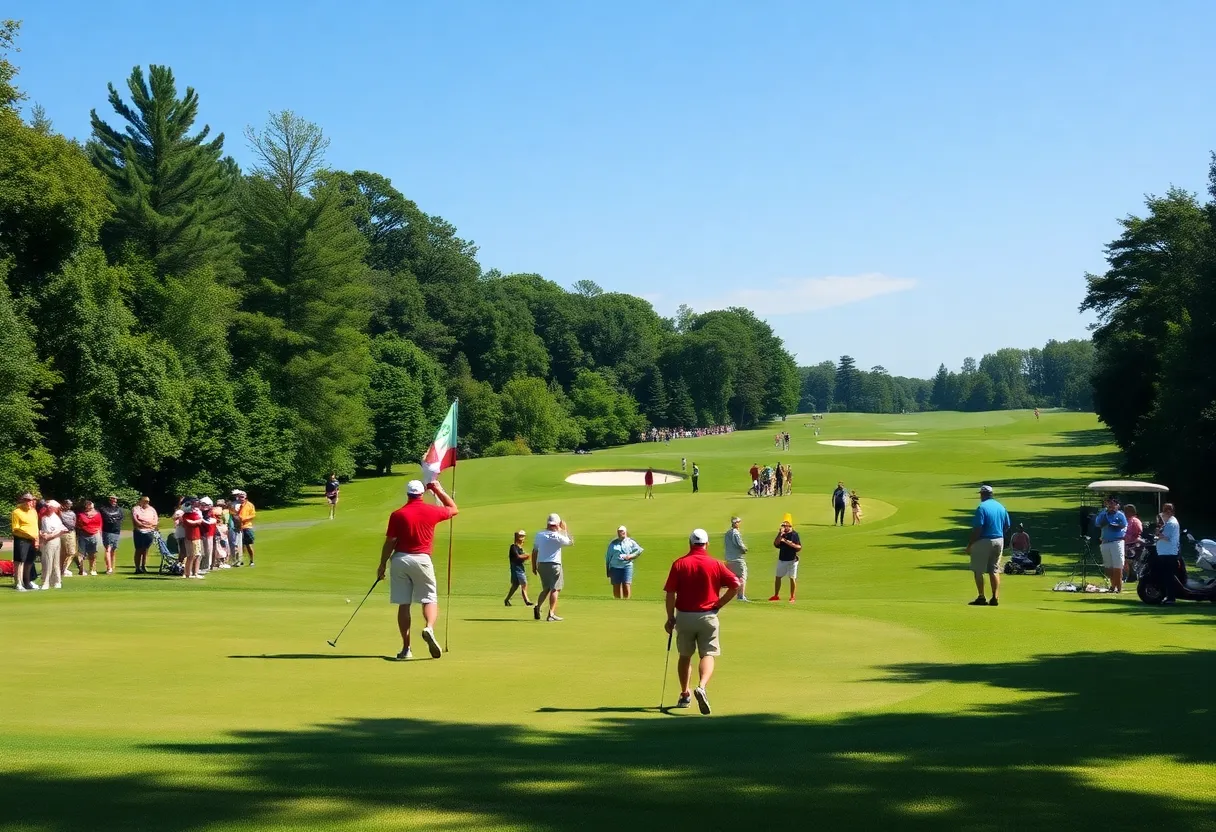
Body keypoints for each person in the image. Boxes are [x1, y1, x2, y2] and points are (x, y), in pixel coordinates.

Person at [377, 479, 458, 660]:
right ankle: (429, 627)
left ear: (408, 494)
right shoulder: (432, 511)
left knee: (404, 603)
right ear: (422, 494)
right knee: (429, 598)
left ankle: (406, 649)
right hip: (422, 559)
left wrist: (382, 564)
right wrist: (437, 490)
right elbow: (454, 509)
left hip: (400, 560)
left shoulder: (398, 514)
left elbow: (390, 542)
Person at [663, 528, 741, 714]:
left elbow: (670, 593)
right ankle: (702, 686)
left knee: (685, 655)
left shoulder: (680, 564)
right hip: (708, 616)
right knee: (708, 654)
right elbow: (735, 584)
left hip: (685, 616)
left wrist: (670, 618)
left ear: (690, 543)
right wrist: (719, 604)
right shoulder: (716, 563)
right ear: (706, 544)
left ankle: (685, 694)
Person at [966, 485, 1011, 606]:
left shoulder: (982, 508)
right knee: (994, 569)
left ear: (983, 494)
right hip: (999, 540)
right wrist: (1000, 535)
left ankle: (981, 597)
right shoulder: (1001, 507)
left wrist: (970, 545)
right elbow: (1007, 525)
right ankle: (995, 597)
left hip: (984, 540)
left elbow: (978, 529)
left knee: (978, 569)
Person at [532, 513, 573, 622]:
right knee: (555, 589)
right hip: (554, 565)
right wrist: (564, 530)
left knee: (546, 588)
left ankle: (538, 606)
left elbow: (535, 551)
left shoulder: (539, 534)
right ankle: (551, 614)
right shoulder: (558, 536)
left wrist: (533, 566)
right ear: (557, 524)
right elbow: (570, 542)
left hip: (541, 564)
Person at [1094, 496, 1128, 594]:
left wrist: (1114, 525)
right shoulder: (1103, 514)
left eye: (1113, 504)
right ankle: (1112, 585)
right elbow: (1097, 523)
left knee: (1117, 565)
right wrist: (1104, 517)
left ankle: (1119, 587)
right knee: (1109, 567)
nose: (1111, 506)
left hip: (1117, 542)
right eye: (1109, 503)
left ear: (1117, 505)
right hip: (1105, 542)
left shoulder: (1120, 515)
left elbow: (1123, 525)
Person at [10, 492, 40, 591]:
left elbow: (35, 526)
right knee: (20, 561)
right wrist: (29, 535)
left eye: (30, 500)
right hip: (22, 539)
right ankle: (18, 583)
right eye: (26, 500)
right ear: (22, 501)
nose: (28, 502)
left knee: (29, 561)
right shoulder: (17, 512)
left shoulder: (33, 511)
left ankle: (27, 582)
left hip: (32, 540)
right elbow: (15, 528)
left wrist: (36, 539)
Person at [605, 525, 644, 599]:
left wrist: (631, 556)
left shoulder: (630, 542)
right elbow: (608, 557)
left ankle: (626, 601)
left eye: (622, 532)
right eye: (619, 532)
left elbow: (639, 550)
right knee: (616, 585)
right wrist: (608, 570)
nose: (620, 533)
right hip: (615, 567)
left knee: (626, 584)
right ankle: (617, 600)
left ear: (625, 532)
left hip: (627, 566)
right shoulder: (613, 543)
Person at [769, 515, 802, 602]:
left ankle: (792, 596)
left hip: (792, 560)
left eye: (785, 525)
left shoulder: (794, 534)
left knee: (792, 578)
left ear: (789, 525)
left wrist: (786, 541)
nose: (783, 527)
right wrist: (780, 534)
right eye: (783, 526)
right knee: (778, 577)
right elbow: (776, 544)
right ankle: (776, 595)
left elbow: (798, 547)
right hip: (782, 559)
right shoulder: (782, 534)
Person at [1154, 503, 1181, 604]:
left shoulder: (1171, 523)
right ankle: (1167, 595)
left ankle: (1171, 598)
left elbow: (1166, 537)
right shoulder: (1168, 522)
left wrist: (1157, 533)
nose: (1165, 513)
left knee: (1169, 576)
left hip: (1169, 553)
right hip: (1165, 553)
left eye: (1168, 510)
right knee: (1166, 576)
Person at [38, 500, 68, 590]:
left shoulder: (56, 518)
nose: (47, 508)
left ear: (53, 508)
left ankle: (57, 581)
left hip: (54, 541)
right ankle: (45, 582)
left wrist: (50, 535)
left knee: (55, 562)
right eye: (47, 507)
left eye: (49, 507)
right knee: (47, 562)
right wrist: (43, 534)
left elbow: (62, 530)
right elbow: (43, 530)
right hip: (47, 542)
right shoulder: (44, 517)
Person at [723, 516, 749, 601]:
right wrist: (744, 549)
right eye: (738, 522)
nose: (739, 523)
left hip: (729, 559)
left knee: (733, 578)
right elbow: (739, 544)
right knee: (742, 577)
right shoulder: (735, 533)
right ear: (735, 523)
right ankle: (741, 596)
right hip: (737, 559)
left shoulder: (728, 533)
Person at [504, 530, 533, 607]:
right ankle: (527, 600)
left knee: (515, 585)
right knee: (524, 583)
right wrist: (526, 556)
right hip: (517, 569)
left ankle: (507, 599)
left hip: (519, 568)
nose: (523, 538)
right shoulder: (513, 547)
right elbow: (517, 557)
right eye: (521, 536)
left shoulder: (519, 548)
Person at [131, 496, 158, 575]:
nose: (147, 503)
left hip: (149, 531)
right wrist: (144, 525)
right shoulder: (136, 509)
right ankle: (137, 567)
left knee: (145, 550)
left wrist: (150, 526)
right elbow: (136, 520)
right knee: (138, 549)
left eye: (148, 501)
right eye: (145, 501)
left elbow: (155, 520)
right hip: (139, 531)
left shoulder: (152, 509)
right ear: (141, 501)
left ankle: (143, 566)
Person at [75, 500, 102, 577]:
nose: (92, 510)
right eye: (89, 508)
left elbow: (99, 525)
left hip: (94, 535)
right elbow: (78, 525)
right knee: (81, 554)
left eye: (92, 508)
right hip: (83, 536)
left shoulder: (97, 514)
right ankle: (82, 570)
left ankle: (93, 569)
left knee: (93, 553)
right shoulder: (81, 515)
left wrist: (98, 532)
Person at [99, 495, 124, 575]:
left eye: (115, 499)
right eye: (112, 499)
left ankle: (112, 566)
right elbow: (107, 518)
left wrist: (114, 518)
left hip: (116, 531)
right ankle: (109, 568)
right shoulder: (103, 508)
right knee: (108, 549)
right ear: (109, 500)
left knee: (114, 549)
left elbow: (120, 517)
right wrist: (114, 518)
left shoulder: (119, 509)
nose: (114, 501)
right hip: (107, 531)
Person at [181, 498, 204, 579]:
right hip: (190, 537)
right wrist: (197, 522)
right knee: (191, 556)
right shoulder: (186, 516)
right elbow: (192, 522)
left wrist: (197, 521)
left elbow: (199, 521)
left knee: (197, 555)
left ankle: (195, 572)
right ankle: (187, 573)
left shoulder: (194, 514)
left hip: (196, 536)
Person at [233, 489, 257, 566]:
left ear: (245, 497)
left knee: (249, 544)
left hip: (247, 526)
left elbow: (253, 515)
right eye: (240, 497)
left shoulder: (250, 505)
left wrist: (243, 519)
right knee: (239, 545)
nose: (241, 498)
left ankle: (252, 560)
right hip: (238, 527)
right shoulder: (235, 505)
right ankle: (240, 560)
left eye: (242, 497)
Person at [1122, 505, 1143, 581]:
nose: (1125, 513)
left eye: (1127, 511)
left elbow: (1139, 531)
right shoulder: (1125, 520)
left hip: (1133, 544)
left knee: (1132, 561)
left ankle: (1133, 576)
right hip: (1125, 544)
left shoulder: (1135, 520)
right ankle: (1127, 576)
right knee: (1126, 561)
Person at [59, 499, 79, 578]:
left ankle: (64, 569)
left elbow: (74, 522)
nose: (69, 506)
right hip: (63, 533)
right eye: (68, 504)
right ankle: (62, 569)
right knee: (64, 552)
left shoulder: (72, 513)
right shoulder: (60, 513)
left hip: (71, 533)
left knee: (72, 552)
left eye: (70, 505)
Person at [198, 496, 217, 572]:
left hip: (209, 534)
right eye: (202, 505)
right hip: (200, 534)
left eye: (205, 505)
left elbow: (212, 522)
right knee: (201, 551)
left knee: (208, 550)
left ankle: (206, 566)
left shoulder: (210, 513)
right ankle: (201, 566)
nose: (204, 506)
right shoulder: (199, 513)